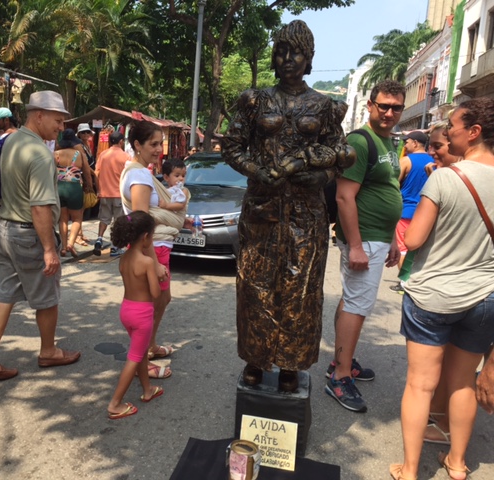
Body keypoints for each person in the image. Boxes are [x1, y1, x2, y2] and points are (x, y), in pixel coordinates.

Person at [222, 20, 354, 391]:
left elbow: (342, 154)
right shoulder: (255, 100)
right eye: (280, 51)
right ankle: (256, 359)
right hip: (262, 210)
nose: (286, 59)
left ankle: (291, 365)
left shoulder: (324, 105)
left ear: (309, 59)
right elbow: (231, 147)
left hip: (306, 213)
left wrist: (323, 177)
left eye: (294, 52)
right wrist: (256, 170)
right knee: (255, 286)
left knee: (301, 289)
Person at [390, 98, 494, 480]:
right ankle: (457, 463)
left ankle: (410, 469)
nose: (447, 132)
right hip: (485, 295)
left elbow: (414, 239)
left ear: (475, 131)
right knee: (463, 382)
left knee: (420, 385)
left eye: (452, 125)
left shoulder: (445, 178)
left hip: (433, 294)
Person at [0, 91, 80, 386]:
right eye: (58, 120)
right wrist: (49, 249)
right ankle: (49, 351)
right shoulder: (39, 154)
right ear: (39, 115)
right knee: (47, 298)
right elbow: (40, 206)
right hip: (28, 235)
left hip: (5, 230)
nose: (61, 127)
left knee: (3, 298)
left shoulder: (10, 141)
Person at [324, 79, 404, 412]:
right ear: (370, 105)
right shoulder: (360, 140)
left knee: (352, 300)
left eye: (395, 107)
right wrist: (356, 245)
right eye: (382, 105)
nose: (388, 112)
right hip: (363, 238)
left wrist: (391, 240)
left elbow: (385, 191)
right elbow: (345, 196)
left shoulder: (387, 142)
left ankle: (342, 362)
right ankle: (340, 377)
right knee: (357, 304)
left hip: (376, 238)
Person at [120, 120, 192, 379]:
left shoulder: (139, 171)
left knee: (160, 300)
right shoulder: (139, 175)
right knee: (149, 304)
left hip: (157, 245)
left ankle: (149, 348)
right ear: (137, 144)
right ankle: (143, 357)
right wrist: (153, 262)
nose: (159, 149)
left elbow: (151, 213)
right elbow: (140, 220)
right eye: (153, 144)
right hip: (153, 247)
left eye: (160, 143)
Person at [107, 211, 163, 419]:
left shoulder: (124, 258)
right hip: (142, 315)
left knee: (137, 352)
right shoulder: (147, 262)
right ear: (146, 237)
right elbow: (155, 293)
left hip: (126, 311)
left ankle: (147, 389)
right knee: (134, 357)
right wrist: (161, 275)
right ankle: (115, 403)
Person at [390, 130, 433, 295]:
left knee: (403, 248)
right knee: (420, 249)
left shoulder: (406, 161)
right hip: (426, 212)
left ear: (415, 143)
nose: (405, 145)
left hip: (406, 211)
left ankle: (404, 283)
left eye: (407, 142)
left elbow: (393, 185)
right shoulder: (434, 161)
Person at [55, 129, 94, 258]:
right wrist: (89, 187)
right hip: (74, 188)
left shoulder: (56, 154)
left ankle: (64, 247)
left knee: (63, 219)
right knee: (77, 218)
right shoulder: (79, 154)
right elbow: (87, 173)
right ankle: (71, 243)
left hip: (59, 187)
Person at [94, 131, 129, 256]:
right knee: (118, 221)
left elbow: (96, 173)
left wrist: (98, 189)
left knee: (104, 218)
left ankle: (99, 240)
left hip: (104, 193)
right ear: (120, 142)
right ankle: (115, 246)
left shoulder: (103, 155)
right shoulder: (126, 157)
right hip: (119, 194)